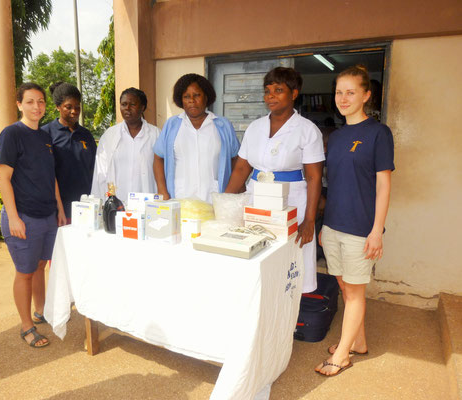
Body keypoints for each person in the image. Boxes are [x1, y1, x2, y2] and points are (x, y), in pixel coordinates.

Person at [315, 65, 394, 376]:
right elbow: (333, 185)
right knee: (344, 287)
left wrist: (377, 231)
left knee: (355, 291)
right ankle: (358, 341)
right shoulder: (336, 137)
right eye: (339, 92)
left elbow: (384, 184)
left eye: (350, 92)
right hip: (333, 225)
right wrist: (324, 226)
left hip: (361, 228)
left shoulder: (378, 133)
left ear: (366, 95)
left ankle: (343, 355)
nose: (343, 98)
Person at [225, 67, 325, 293]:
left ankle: (291, 316)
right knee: (256, 253)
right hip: (255, 197)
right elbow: (241, 168)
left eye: (278, 90)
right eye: (267, 91)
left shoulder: (307, 130)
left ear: (294, 93)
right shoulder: (255, 127)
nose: (270, 96)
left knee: (289, 259)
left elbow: (314, 176)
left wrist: (310, 220)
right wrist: (225, 203)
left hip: (292, 202)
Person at [0, 82, 67, 348]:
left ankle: (41, 311)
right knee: (24, 271)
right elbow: (4, 179)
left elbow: (52, 177)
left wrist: (59, 208)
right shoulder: (12, 134)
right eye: (30, 102)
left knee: (40, 265)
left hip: (48, 215)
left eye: (40, 102)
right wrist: (14, 218)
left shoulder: (45, 136)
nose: (37, 107)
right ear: (19, 105)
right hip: (23, 216)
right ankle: (26, 326)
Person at [153, 73, 240, 203]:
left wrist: (231, 193)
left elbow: (236, 160)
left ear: (206, 96)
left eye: (197, 95)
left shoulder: (223, 125)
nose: (191, 100)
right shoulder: (172, 125)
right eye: (186, 96)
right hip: (179, 198)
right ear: (180, 100)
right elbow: (158, 158)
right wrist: (162, 190)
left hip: (213, 199)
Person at [91, 87, 160, 204]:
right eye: (124, 104)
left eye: (132, 104)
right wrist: (99, 203)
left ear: (142, 107)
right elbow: (100, 173)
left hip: (148, 202)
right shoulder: (109, 136)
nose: (127, 108)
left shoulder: (156, 135)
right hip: (116, 204)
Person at [41, 82, 97, 222]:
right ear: (58, 107)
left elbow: (94, 169)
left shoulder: (86, 135)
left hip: (86, 207)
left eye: (77, 107)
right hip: (59, 209)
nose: (74, 111)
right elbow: (44, 173)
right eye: (68, 107)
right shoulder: (45, 134)